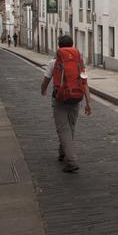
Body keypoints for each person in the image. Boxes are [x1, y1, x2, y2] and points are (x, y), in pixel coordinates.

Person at [40, 34, 91, 173]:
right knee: (70, 127)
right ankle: (63, 152)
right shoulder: (79, 62)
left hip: (60, 99)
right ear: (72, 45)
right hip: (76, 98)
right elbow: (84, 82)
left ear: (59, 47)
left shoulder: (54, 62)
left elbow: (46, 80)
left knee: (63, 128)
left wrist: (43, 90)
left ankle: (72, 160)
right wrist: (88, 102)